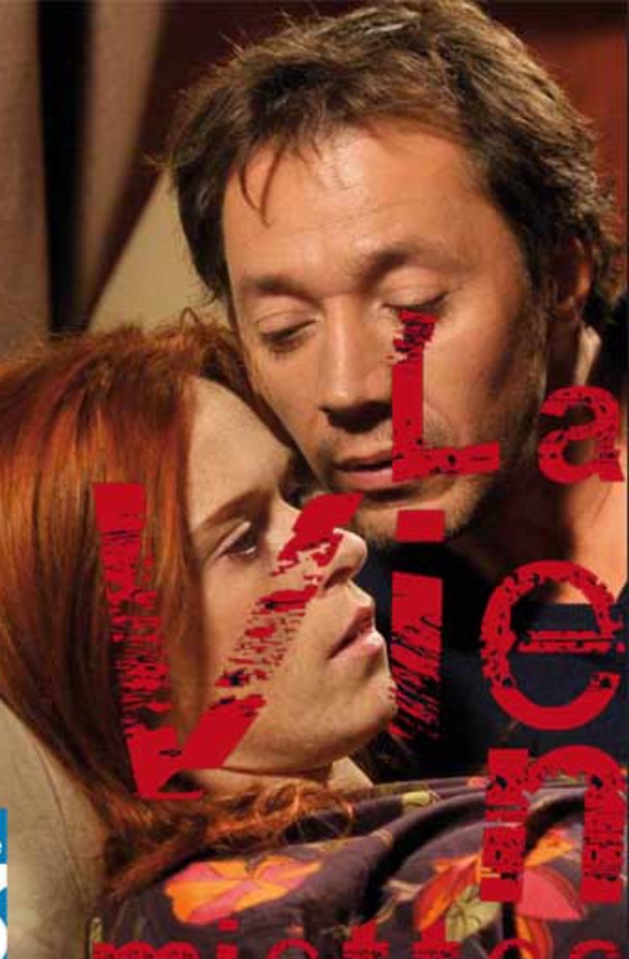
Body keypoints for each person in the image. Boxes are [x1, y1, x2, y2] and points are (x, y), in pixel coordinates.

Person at [0, 323, 624, 959]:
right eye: (241, 541)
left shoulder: (354, 841)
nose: (340, 547)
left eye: (296, 496)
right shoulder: (242, 932)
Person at [166, 0, 627, 777]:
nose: (347, 388)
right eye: (286, 330)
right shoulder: (335, 613)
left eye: (412, 308)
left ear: (559, 274)